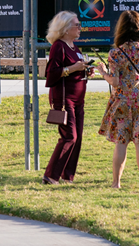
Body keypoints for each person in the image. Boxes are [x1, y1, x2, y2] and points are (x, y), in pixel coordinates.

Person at [96, 10, 139, 189]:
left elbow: (115, 82)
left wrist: (103, 73)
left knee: (121, 142)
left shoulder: (115, 54)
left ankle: (116, 183)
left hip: (122, 101)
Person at [42, 11, 92, 185]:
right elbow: (51, 74)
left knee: (77, 138)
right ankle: (50, 176)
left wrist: (85, 69)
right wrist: (72, 68)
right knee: (70, 136)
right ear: (65, 29)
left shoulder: (74, 47)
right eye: (76, 25)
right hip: (64, 99)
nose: (80, 28)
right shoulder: (58, 46)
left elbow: (74, 68)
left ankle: (67, 176)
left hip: (78, 99)